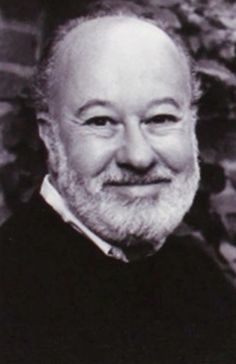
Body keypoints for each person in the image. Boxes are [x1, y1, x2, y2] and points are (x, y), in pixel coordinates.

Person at [1, 5, 236, 364]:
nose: (138, 157)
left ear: (192, 124)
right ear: (49, 135)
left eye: (160, 118)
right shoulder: (12, 288)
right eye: (100, 121)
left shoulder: (201, 277)